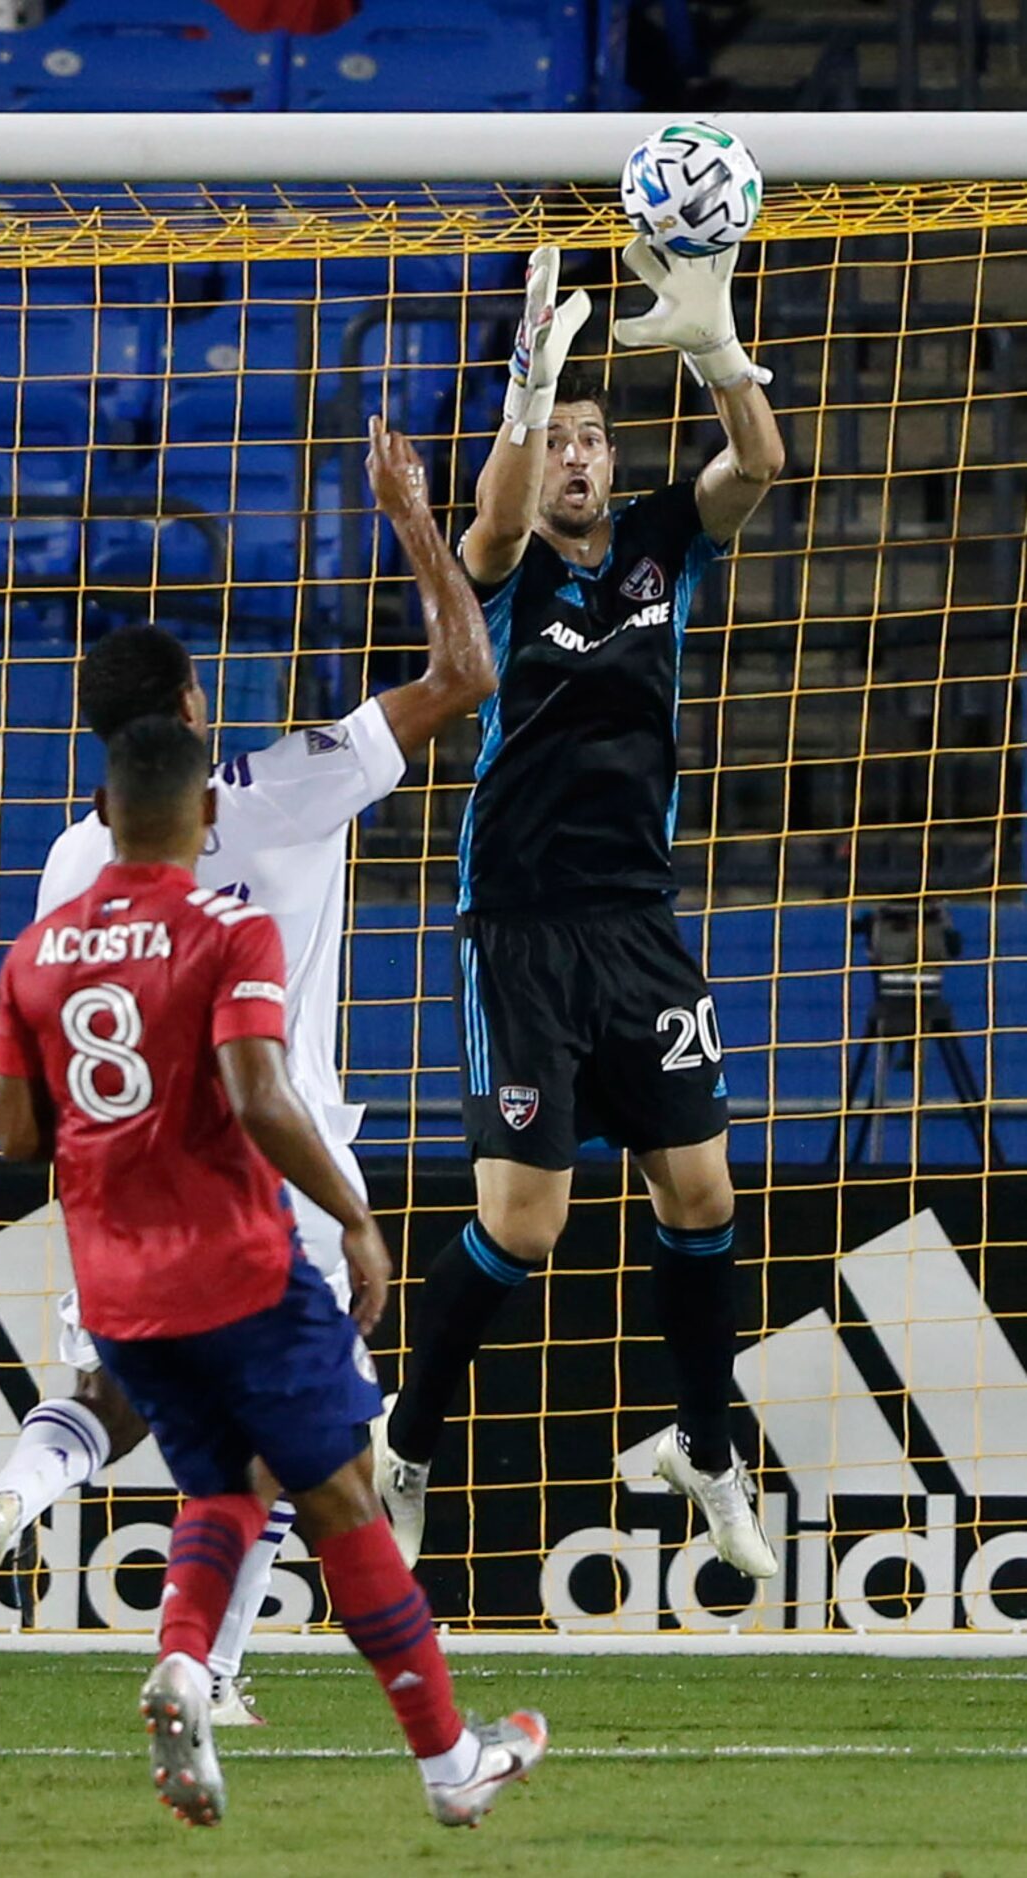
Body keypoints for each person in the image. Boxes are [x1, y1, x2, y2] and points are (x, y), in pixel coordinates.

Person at [0, 420, 495, 1721]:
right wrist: (406, 514)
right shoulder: (282, 787)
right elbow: (464, 672)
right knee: (312, 1438)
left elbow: (32, 1090)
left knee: (112, 1398)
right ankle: (239, 1675)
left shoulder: (69, 859)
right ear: (186, 712)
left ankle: (15, 1495)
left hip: (125, 1179)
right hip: (274, 1153)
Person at [0, 714, 547, 1828]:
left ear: (103, 804)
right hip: (246, 1247)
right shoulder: (229, 929)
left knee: (227, 1480)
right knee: (335, 1485)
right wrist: (354, 1216)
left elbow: (16, 1134)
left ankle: (186, 1663)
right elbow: (259, 1095)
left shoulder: (39, 948)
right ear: (202, 810)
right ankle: (444, 1764)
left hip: (120, 1263)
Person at [373, 241, 786, 1580]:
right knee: (526, 1225)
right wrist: (520, 395)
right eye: (558, 438)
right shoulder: (503, 574)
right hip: (521, 930)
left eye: (591, 436)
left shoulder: (661, 541)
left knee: (701, 1187)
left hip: (637, 925)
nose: (578, 456)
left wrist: (719, 354)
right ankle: (409, 1441)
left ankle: (704, 1449)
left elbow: (759, 468)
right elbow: (482, 525)